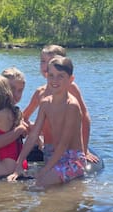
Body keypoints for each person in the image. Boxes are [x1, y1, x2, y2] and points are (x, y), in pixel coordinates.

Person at [8, 56, 86, 188]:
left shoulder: (71, 105)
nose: (55, 80)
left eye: (60, 76)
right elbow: (33, 135)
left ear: (70, 79)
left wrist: (44, 171)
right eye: (51, 75)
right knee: (21, 184)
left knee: (40, 184)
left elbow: (64, 143)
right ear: (46, 76)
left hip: (72, 159)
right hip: (51, 154)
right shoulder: (45, 102)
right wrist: (19, 164)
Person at [22, 45, 98, 164]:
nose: (46, 66)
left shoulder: (71, 88)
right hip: (49, 147)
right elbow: (23, 117)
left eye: (51, 61)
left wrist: (85, 150)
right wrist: (36, 136)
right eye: (43, 61)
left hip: (69, 148)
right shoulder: (40, 93)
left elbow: (85, 117)